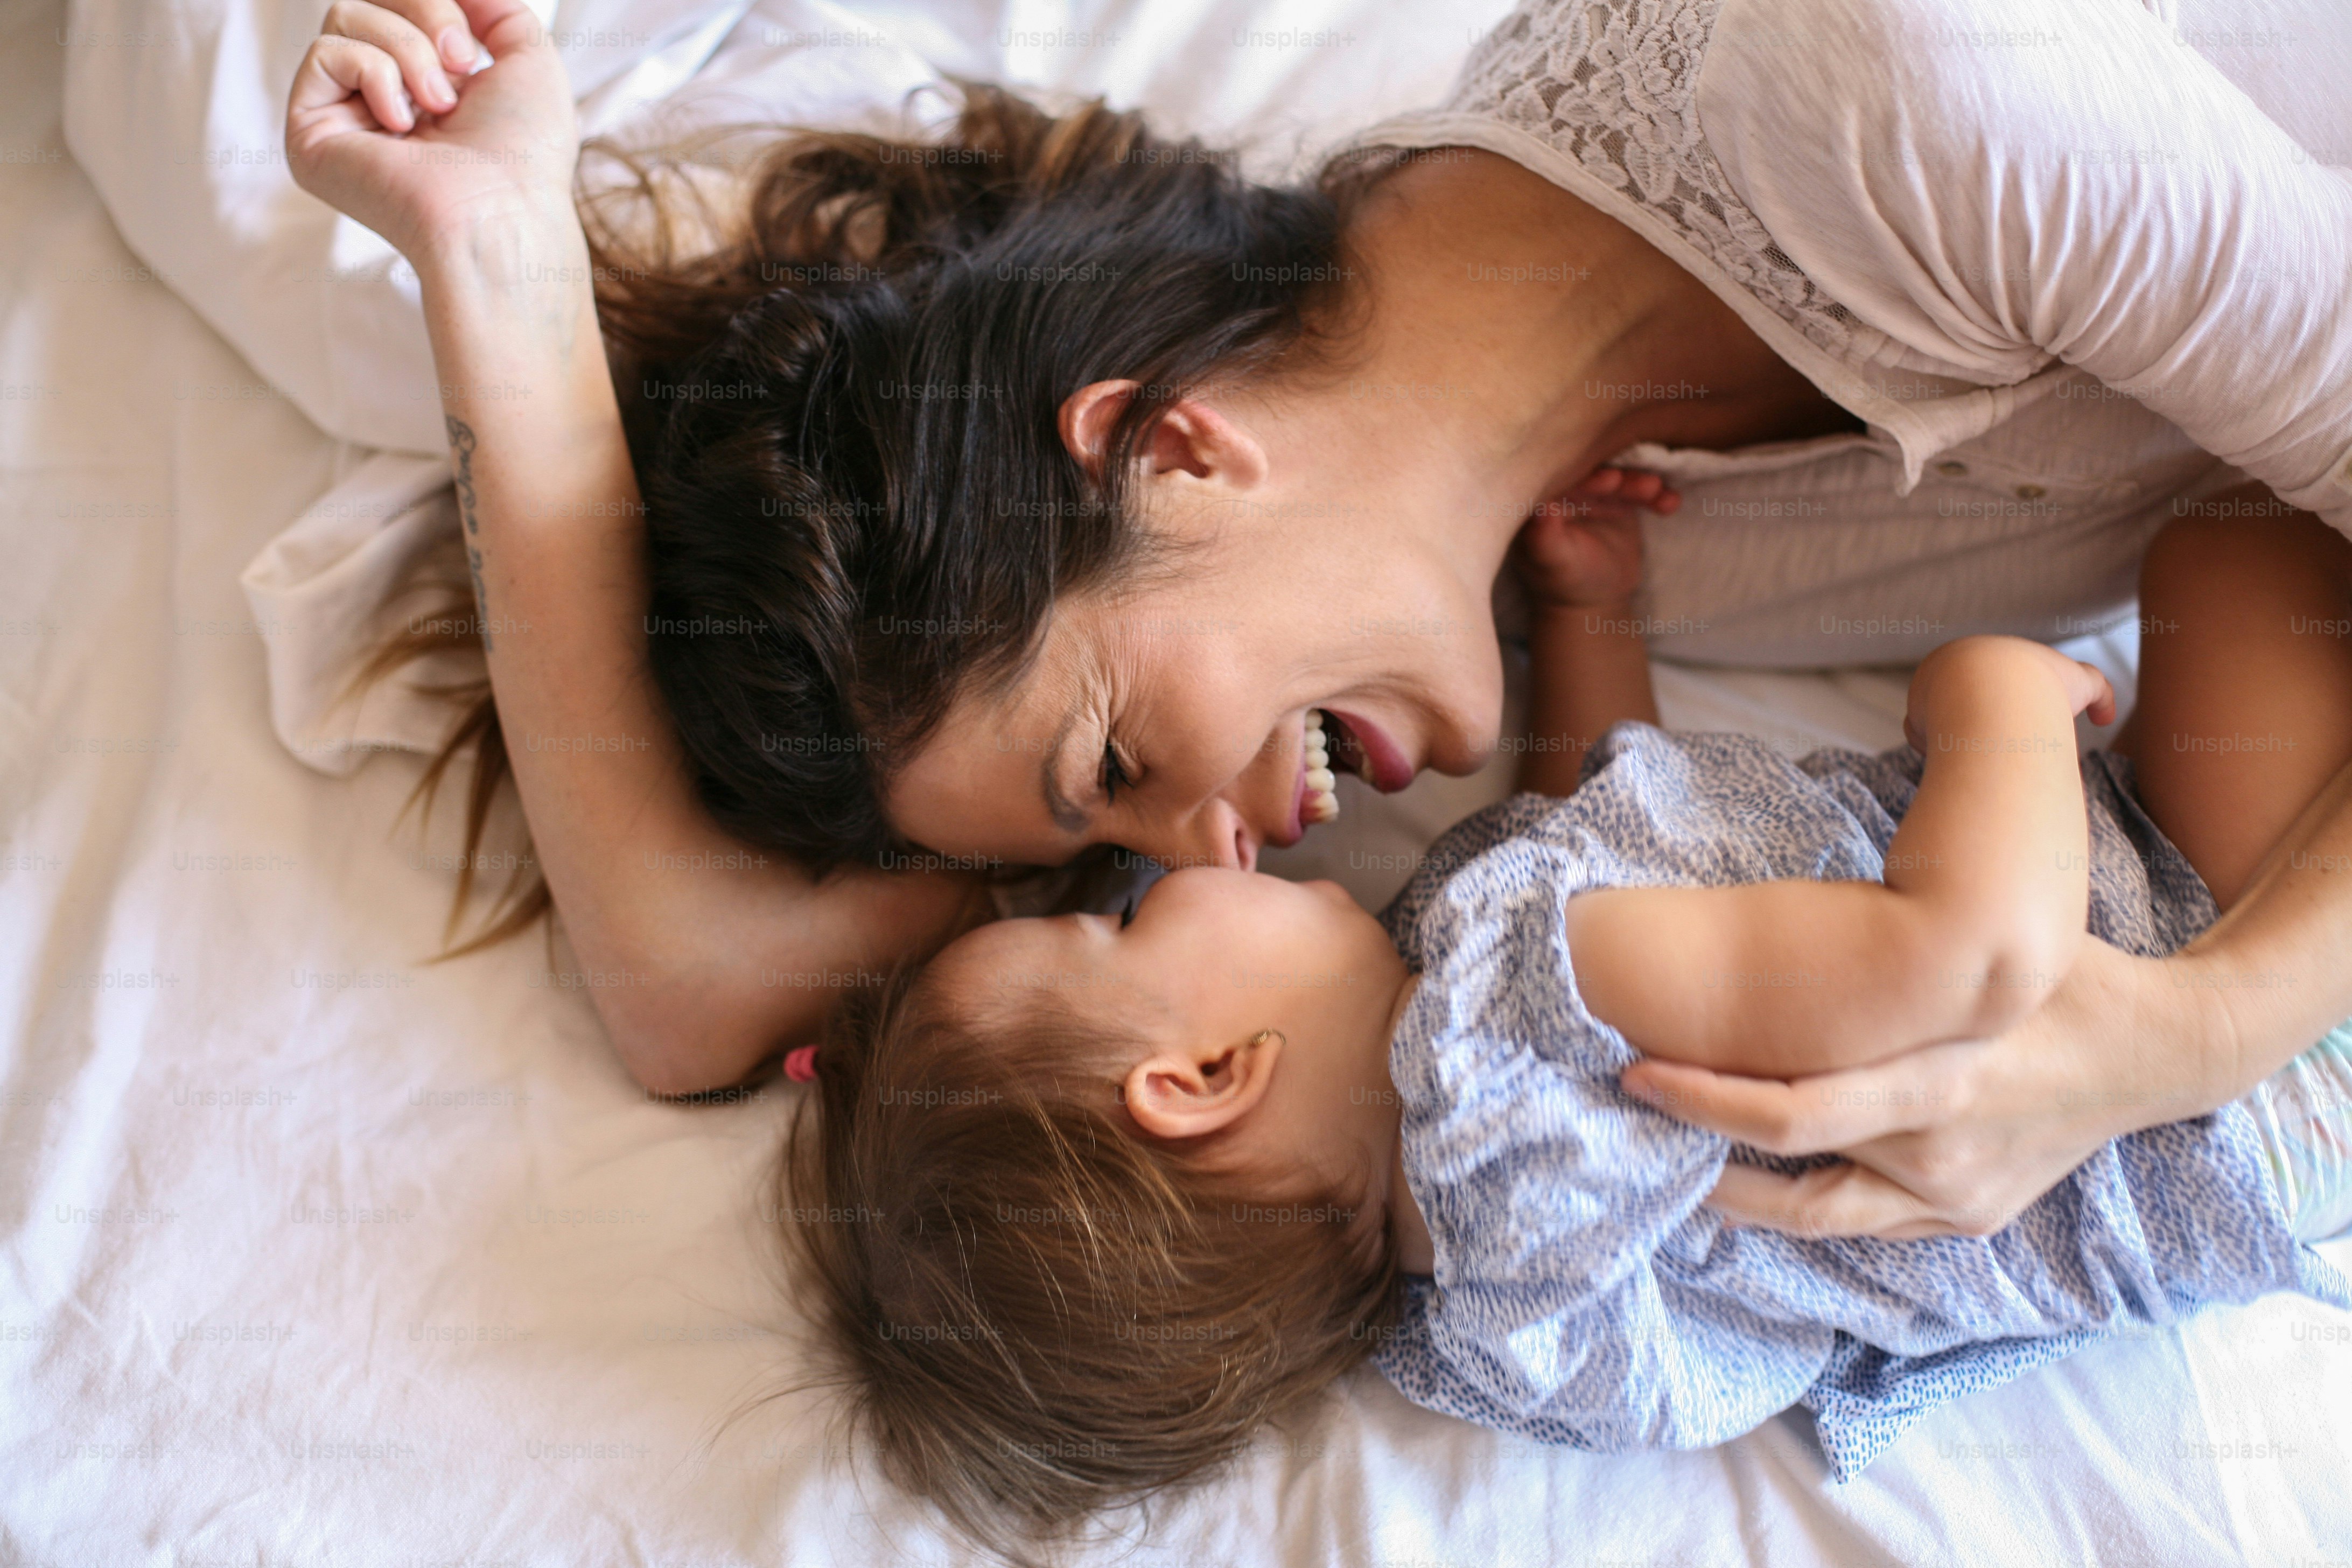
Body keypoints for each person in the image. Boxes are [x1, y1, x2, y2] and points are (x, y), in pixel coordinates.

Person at [281, 0, 2352, 1240]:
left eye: (1114, 766)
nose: (1215, 849)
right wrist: (504, 266)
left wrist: (2189, 1039)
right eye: (1111, 854)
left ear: (1168, 451)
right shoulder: (1508, 534)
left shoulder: (1899, 95)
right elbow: (690, 987)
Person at [778, 505, 2352, 1555]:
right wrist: (1987, 703)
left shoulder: (1481, 1319)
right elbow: (1969, 959)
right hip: (2191, 998)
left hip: (2216, 1190)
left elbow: (1635, 837)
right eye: (1120, 921)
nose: (1175, 864)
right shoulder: (1513, 1014)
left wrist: (1589, 614)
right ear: (1198, 1082)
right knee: (2240, 555)